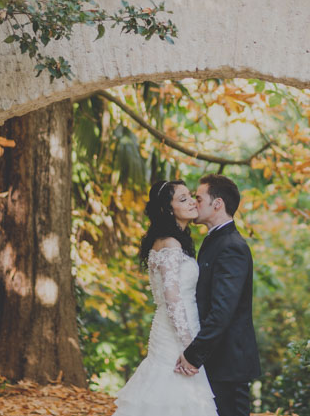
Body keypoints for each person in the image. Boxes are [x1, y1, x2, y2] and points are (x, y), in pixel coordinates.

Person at [112, 179, 218, 416]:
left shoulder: (174, 241)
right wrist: (189, 345)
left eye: (190, 196)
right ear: (169, 210)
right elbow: (172, 298)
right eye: (183, 199)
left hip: (176, 327)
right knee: (172, 395)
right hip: (175, 333)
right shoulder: (169, 244)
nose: (192, 201)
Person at [175, 174, 261, 416]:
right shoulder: (213, 241)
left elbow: (222, 311)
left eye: (199, 198)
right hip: (214, 360)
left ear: (218, 204)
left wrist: (193, 355)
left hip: (228, 363)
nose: (193, 202)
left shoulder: (233, 246)